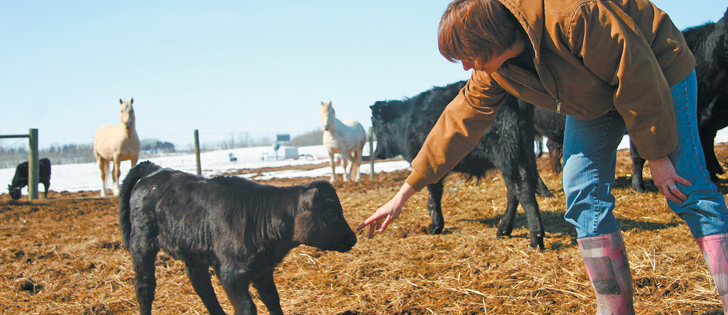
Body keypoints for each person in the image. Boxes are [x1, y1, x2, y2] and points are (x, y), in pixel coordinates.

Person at [356, 0, 728, 313]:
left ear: (487, 39)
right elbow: (457, 123)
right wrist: (404, 192)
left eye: (466, 56)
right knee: (581, 192)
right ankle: (614, 308)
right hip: (594, 94)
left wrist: (658, 156)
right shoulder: (496, 68)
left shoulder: (574, 16)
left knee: (686, 185)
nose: (466, 67)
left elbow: (635, 74)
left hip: (654, 67)